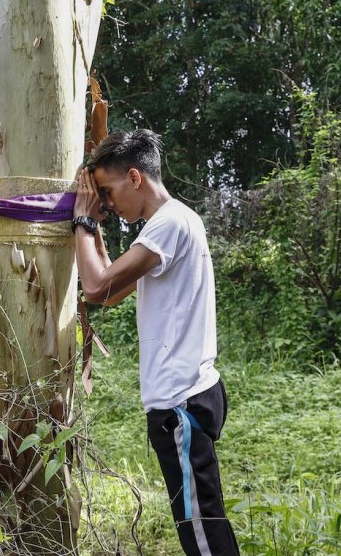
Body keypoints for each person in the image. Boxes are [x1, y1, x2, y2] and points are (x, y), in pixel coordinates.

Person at [72, 129, 239, 556]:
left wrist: (83, 218)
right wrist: (95, 230)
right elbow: (111, 290)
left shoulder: (168, 224)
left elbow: (94, 287)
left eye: (107, 192)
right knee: (201, 523)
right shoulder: (175, 221)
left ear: (134, 177)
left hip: (180, 403)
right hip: (188, 395)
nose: (107, 203)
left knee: (202, 534)